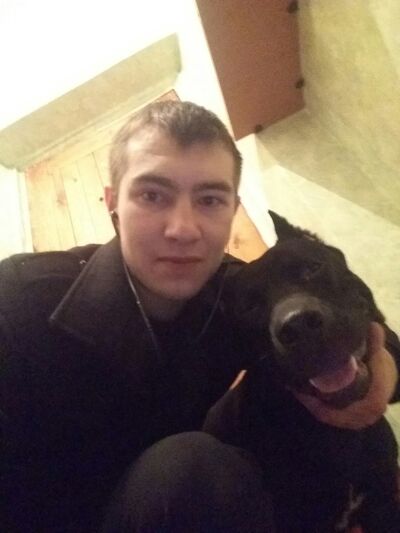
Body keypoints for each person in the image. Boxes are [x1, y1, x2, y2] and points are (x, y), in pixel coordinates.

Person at [0, 101, 399, 532]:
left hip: (185, 504)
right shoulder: (16, 310)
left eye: (210, 199)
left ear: (232, 211)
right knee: (190, 469)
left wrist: (381, 372)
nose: (183, 229)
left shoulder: (237, 296)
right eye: (152, 195)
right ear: (113, 204)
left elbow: (359, 324)